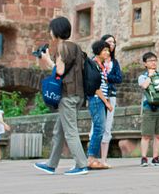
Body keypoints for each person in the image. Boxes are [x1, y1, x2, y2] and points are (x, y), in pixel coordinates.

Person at [34, 16, 89, 176]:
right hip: (78, 94)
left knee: (70, 131)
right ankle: (51, 164)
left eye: (51, 29)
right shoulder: (76, 47)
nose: (50, 32)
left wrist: (46, 60)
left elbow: (59, 71)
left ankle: (81, 164)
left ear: (56, 30)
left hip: (67, 95)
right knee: (59, 130)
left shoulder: (62, 47)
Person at [138, 51, 159, 167]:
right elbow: (144, 86)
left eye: (155, 60)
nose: (153, 63)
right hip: (149, 108)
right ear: (145, 64)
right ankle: (144, 158)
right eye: (150, 61)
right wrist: (150, 76)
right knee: (146, 135)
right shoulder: (143, 76)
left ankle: (156, 158)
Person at [86, 40, 113, 169]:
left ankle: (93, 158)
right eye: (104, 50)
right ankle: (91, 158)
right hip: (97, 99)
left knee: (100, 128)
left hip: (100, 99)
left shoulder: (101, 65)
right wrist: (106, 102)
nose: (107, 52)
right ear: (98, 51)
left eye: (108, 50)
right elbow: (95, 86)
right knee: (98, 128)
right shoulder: (93, 65)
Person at [98, 34, 122, 167]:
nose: (111, 45)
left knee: (108, 125)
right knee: (96, 125)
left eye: (113, 43)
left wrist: (107, 77)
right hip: (97, 95)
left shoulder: (115, 62)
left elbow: (119, 78)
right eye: (108, 42)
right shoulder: (95, 61)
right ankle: (93, 157)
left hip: (111, 94)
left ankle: (103, 159)